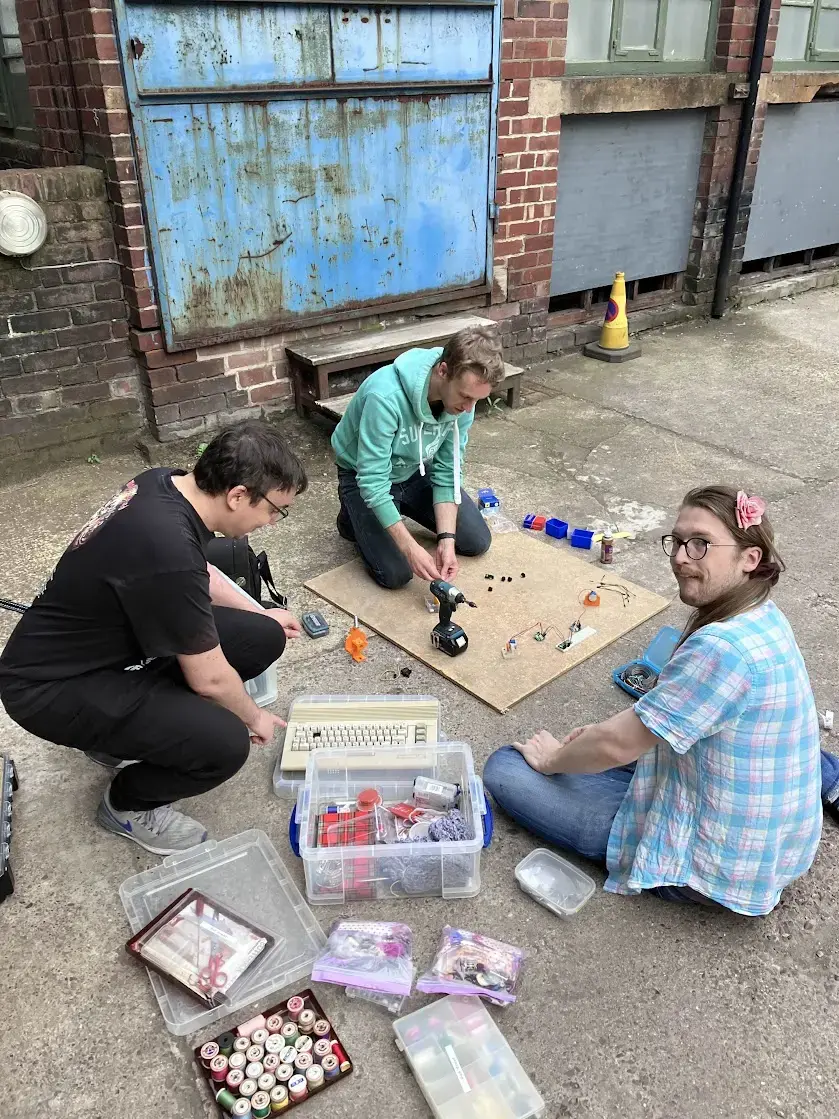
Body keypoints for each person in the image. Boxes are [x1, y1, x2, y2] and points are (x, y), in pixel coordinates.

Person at [483, 485, 837, 916]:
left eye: (701, 544)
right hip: (775, 845)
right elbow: (648, 722)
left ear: (750, 558)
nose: (681, 556)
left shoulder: (722, 649)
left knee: (507, 767)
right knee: (606, 743)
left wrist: (556, 759)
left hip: (714, 868)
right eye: (678, 541)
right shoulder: (760, 610)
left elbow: (617, 745)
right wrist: (598, 741)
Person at [0, 421, 307, 856]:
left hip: (99, 655)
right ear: (237, 496)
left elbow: (199, 571)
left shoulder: (164, 484)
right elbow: (211, 681)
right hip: (51, 688)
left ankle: (130, 736)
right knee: (225, 742)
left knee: (260, 636)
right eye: (275, 510)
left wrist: (262, 612)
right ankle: (126, 805)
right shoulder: (166, 547)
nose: (273, 522)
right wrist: (253, 716)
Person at [331, 325, 504, 589]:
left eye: (477, 400)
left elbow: (448, 470)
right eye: (465, 397)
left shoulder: (464, 401)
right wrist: (410, 548)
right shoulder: (385, 396)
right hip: (362, 475)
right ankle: (351, 515)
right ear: (443, 371)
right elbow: (373, 481)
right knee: (396, 575)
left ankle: (394, 509)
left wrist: (446, 539)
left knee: (475, 541)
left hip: (413, 470)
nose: (469, 409)